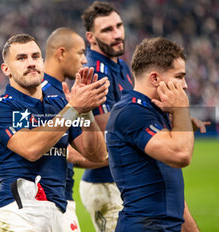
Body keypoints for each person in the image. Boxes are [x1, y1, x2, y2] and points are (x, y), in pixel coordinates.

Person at [0, 33, 110, 231]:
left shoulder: (60, 105)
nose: (31, 62)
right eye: (21, 58)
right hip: (18, 212)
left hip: (61, 211)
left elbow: (97, 154)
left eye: (35, 56)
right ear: (6, 69)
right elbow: (31, 149)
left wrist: (86, 113)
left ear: (43, 62)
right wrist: (74, 109)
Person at [106, 37, 200, 231]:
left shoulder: (156, 111)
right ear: (155, 78)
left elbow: (169, 186)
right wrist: (181, 110)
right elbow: (180, 155)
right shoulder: (131, 112)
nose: (185, 85)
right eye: (179, 76)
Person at [43, 27, 108, 232]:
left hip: (64, 199)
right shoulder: (40, 93)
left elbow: (90, 149)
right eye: (80, 53)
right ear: (61, 53)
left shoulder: (66, 94)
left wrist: (86, 112)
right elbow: (54, 149)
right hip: (45, 203)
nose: (85, 60)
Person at [80, 2, 133, 231]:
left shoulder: (120, 64)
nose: (117, 34)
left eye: (119, 26)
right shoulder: (95, 72)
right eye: (107, 30)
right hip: (105, 184)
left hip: (124, 179)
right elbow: (109, 133)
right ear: (90, 37)